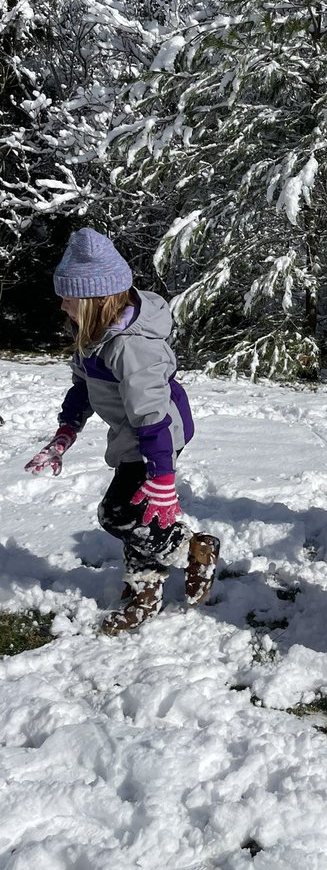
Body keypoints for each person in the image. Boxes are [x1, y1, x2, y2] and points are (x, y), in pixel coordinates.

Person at [24, 227, 220, 635]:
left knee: (119, 513)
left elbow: (151, 415)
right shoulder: (94, 335)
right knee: (138, 515)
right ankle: (145, 593)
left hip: (158, 434)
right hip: (135, 431)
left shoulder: (131, 348)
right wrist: (66, 432)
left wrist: (162, 478)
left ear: (95, 299)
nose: (61, 305)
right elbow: (83, 386)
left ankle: (194, 550)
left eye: (68, 297)